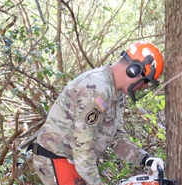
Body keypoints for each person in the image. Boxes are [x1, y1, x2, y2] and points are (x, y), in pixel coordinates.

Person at [28, 41, 165, 185]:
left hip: (75, 160)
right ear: (134, 70)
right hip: (56, 157)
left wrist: (144, 158)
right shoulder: (96, 89)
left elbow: (116, 137)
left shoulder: (115, 93)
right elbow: (83, 148)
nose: (144, 87)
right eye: (145, 81)